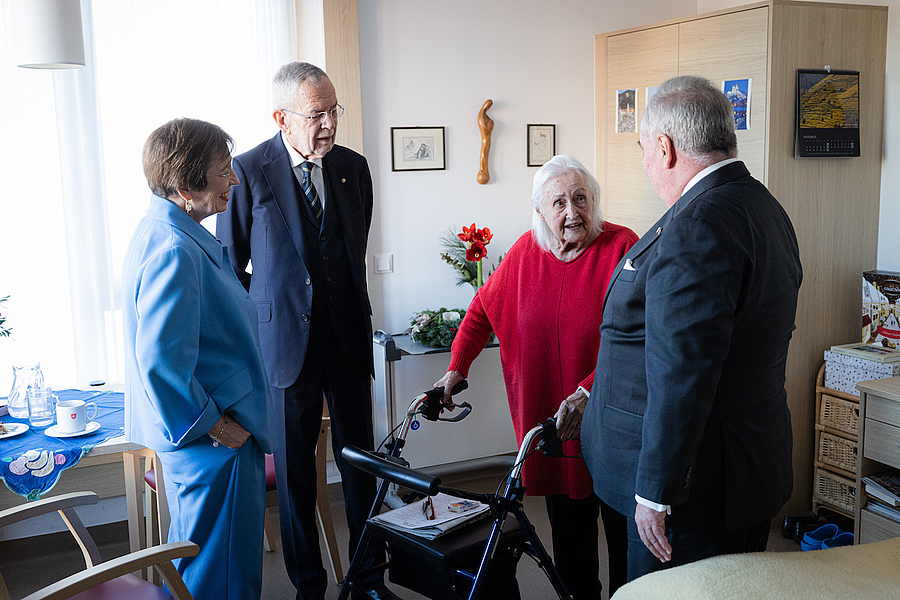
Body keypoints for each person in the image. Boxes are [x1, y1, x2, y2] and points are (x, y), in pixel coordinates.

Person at [581, 75, 803, 582]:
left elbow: (685, 373)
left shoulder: (697, 226)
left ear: (665, 148)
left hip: (693, 489)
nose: (644, 161)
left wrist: (654, 492)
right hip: (745, 467)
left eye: (642, 148)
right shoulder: (761, 206)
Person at [216, 62, 396, 600]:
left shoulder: (353, 168)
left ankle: (368, 580)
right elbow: (231, 266)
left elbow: (351, 249)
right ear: (282, 117)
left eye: (333, 110)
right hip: (285, 349)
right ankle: (308, 587)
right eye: (316, 113)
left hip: (345, 340)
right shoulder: (247, 171)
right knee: (295, 475)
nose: (329, 123)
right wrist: (272, 309)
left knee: (360, 462)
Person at [435, 154, 637, 599]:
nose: (571, 212)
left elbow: (639, 339)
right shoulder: (527, 252)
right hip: (555, 429)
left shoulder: (622, 248)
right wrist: (455, 368)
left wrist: (588, 389)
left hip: (611, 427)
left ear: (595, 202)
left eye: (581, 199)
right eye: (559, 202)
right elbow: (481, 311)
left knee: (628, 550)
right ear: (541, 211)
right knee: (572, 553)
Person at [123, 118, 275, 600]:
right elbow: (161, 366)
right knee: (223, 576)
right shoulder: (174, 249)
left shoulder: (162, 231)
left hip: (205, 442)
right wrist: (217, 427)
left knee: (202, 566)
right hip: (213, 444)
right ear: (187, 184)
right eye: (223, 170)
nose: (234, 180)